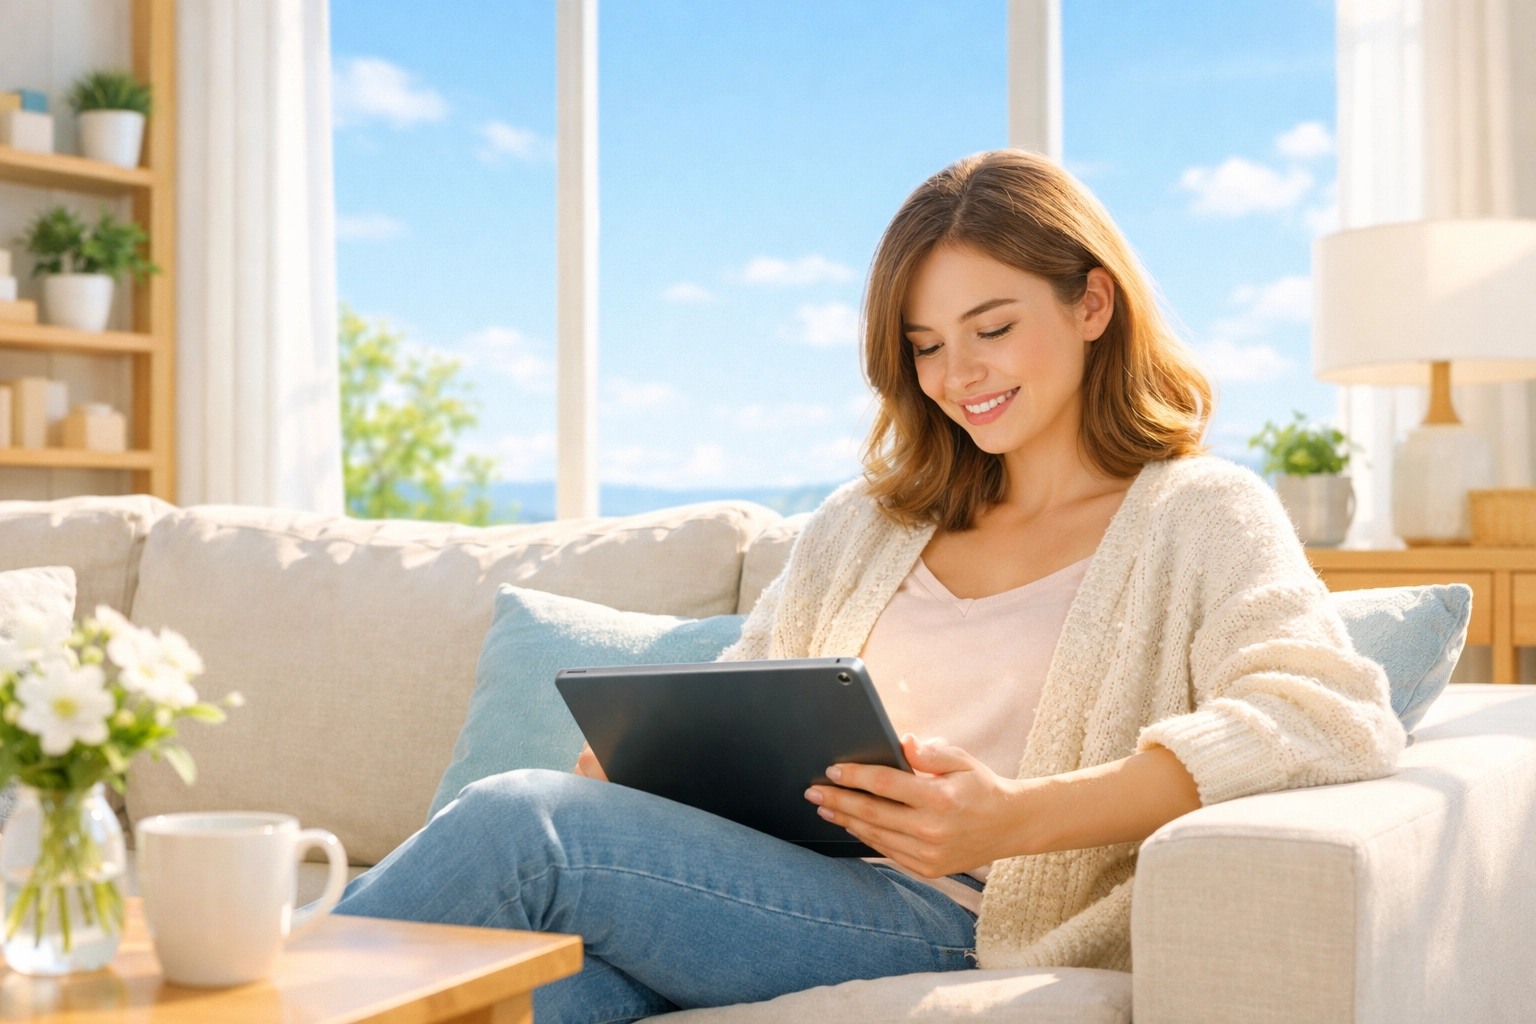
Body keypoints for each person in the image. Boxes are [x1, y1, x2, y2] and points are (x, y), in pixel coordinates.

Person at [333, 149, 1404, 1023]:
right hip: (776, 882)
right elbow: (753, 689)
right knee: (541, 1000)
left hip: (964, 911)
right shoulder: (865, 523)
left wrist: (1011, 820)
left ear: (1091, 304)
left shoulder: (1198, 513)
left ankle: (233, 985)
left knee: (526, 824)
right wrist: (646, 771)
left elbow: (1327, 718)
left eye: (992, 328)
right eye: (926, 346)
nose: (959, 376)